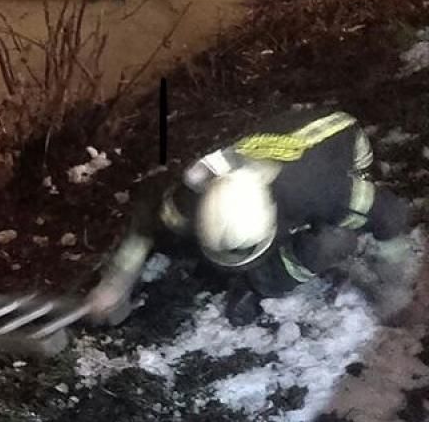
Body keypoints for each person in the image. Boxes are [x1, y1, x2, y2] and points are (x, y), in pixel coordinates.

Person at [85, 108, 419, 327]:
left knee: (333, 240)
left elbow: (390, 217)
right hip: (281, 142)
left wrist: (395, 285)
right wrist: (117, 281)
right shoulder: (193, 195)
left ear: (275, 219)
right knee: (174, 232)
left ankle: (260, 285)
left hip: (344, 147)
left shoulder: (322, 192)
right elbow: (147, 215)